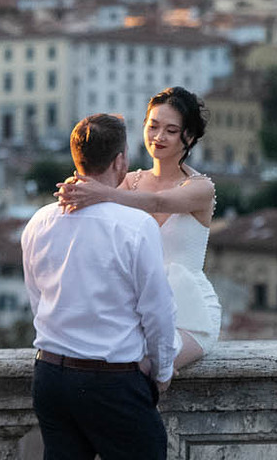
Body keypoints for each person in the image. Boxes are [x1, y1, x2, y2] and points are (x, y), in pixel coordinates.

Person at [23, 112, 179, 460]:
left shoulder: (38, 222)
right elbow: (157, 311)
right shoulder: (135, 226)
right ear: (121, 159)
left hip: (49, 376)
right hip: (109, 383)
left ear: (77, 157)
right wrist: (163, 370)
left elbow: (38, 301)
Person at [59, 85, 223, 369]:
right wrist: (76, 189)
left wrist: (101, 192)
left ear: (190, 137)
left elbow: (158, 202)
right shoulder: (129, 183)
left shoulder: (200, 188)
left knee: (144, 369)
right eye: (153, 126)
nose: (158, 137)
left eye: (171, 131)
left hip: (191, 311)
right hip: (137, 310)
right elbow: (95, 198)